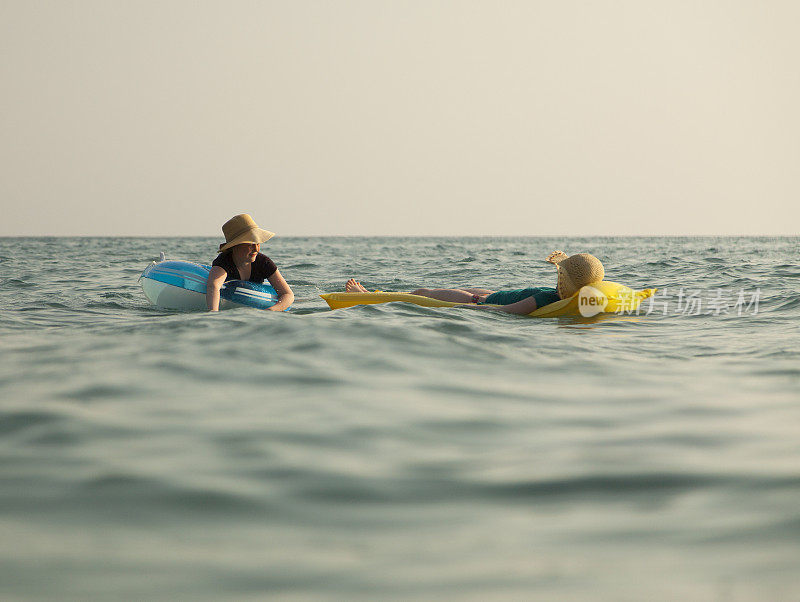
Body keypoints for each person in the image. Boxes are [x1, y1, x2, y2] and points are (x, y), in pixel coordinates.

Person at [344, 251, 604, 315]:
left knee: (422, 293)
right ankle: (375, 292)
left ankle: (367, 296)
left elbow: (503, 312)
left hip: (478, 300)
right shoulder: (557, 298)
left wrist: (467, 310)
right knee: (422, 290)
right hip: (492, 293)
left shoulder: (544, 300)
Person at [206, 214, 294, 312]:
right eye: (250, 244)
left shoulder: (264, 263)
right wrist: (213, 313)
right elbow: (213, 285)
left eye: (257, 243)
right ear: (235, 245)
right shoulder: (224, 261)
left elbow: (288, 294)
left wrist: (271, 310)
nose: (256, 249)